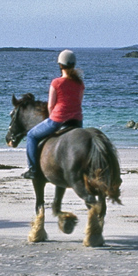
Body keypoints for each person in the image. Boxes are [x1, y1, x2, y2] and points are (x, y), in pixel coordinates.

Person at [21, 49, 84, 179]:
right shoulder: (80, 83)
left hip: (58, 120)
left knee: (31, 135)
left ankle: (32, 169)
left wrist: (51, 118)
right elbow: (79, 101)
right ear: (73, 64)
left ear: (60, 65)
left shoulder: (56, 82)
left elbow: (51, 105)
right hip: (77, 121)